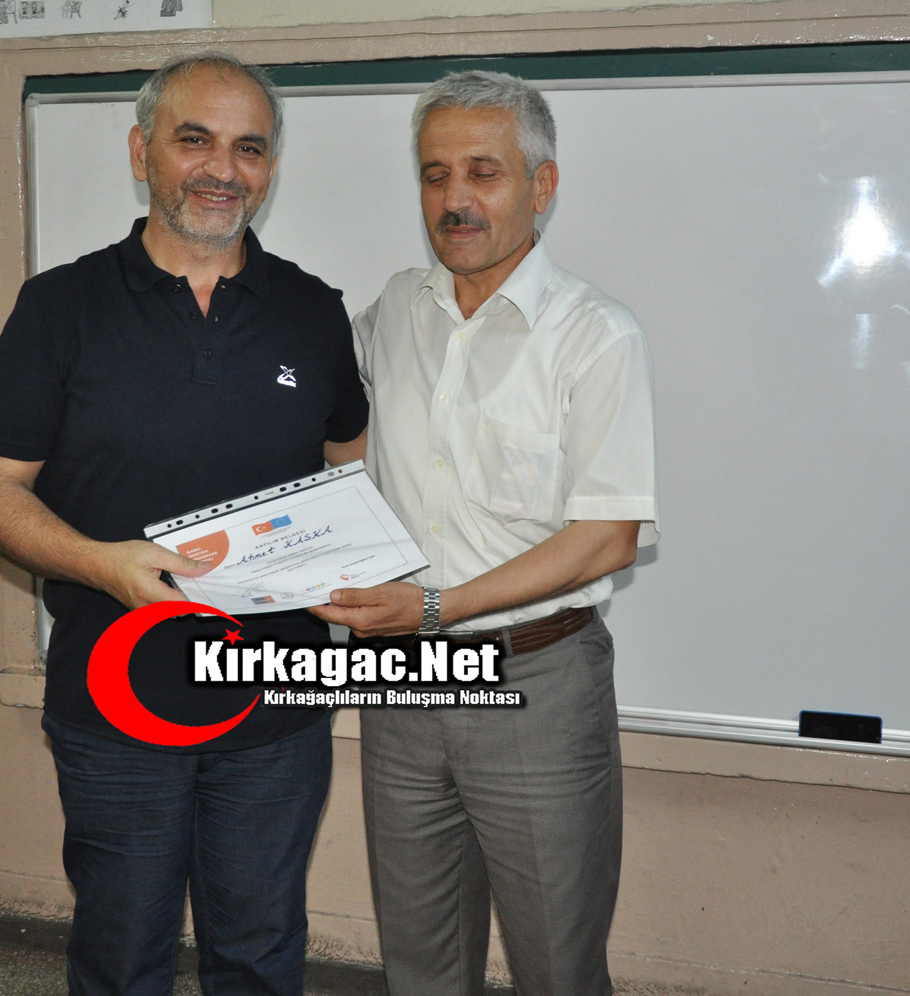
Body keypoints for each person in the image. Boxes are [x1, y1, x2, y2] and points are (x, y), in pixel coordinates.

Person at [0, 51, 367, 996]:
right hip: (116, 704)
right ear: (142, 152)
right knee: (122, 956)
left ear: (271, 168)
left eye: (249, 148)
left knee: (260, 952)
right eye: (195, 140)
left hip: (276, 710)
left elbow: (346, 472)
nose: (224, 169)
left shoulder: (314, 312)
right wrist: (102, 564)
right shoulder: (60, 307)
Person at [311, 70, 659, 996]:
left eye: (483, 172)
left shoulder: (596, 336)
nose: (454, 199)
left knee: (556, 966)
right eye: (434, 175)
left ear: (542, 187)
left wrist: (434, 607)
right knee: (419, 961)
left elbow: (608, 538)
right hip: (400, 682)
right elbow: (325, 432)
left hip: (535, 683)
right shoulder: (392, 314)